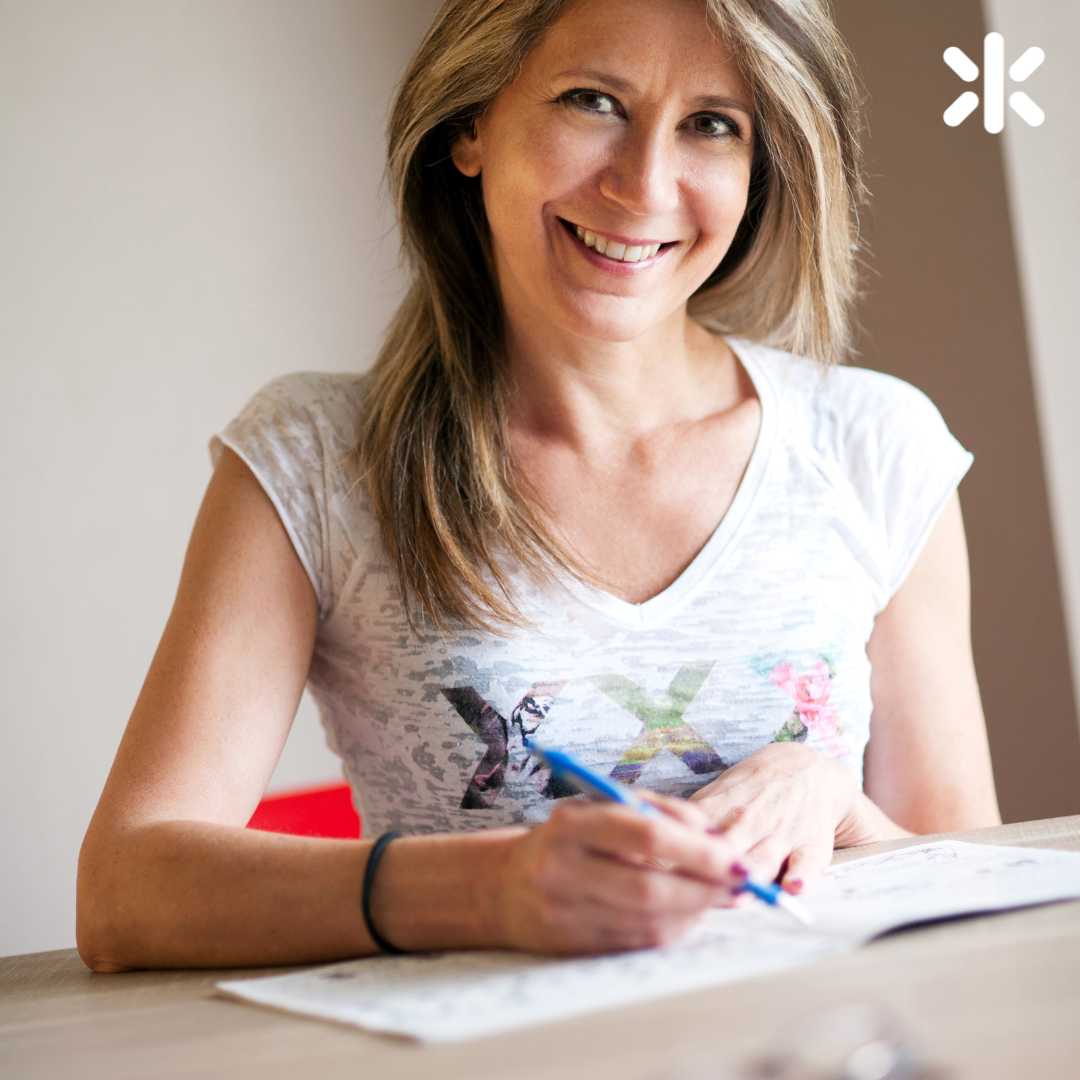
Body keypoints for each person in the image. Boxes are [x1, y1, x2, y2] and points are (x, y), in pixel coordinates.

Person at [76, 0, 1001, 973]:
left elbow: (971, 892)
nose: (644, 185)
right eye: (593, 101)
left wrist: (832, 798)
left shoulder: (875, 447)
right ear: (470, 125)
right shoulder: (315, 459)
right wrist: (492, 886)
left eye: (711, 124)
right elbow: (126, 891)